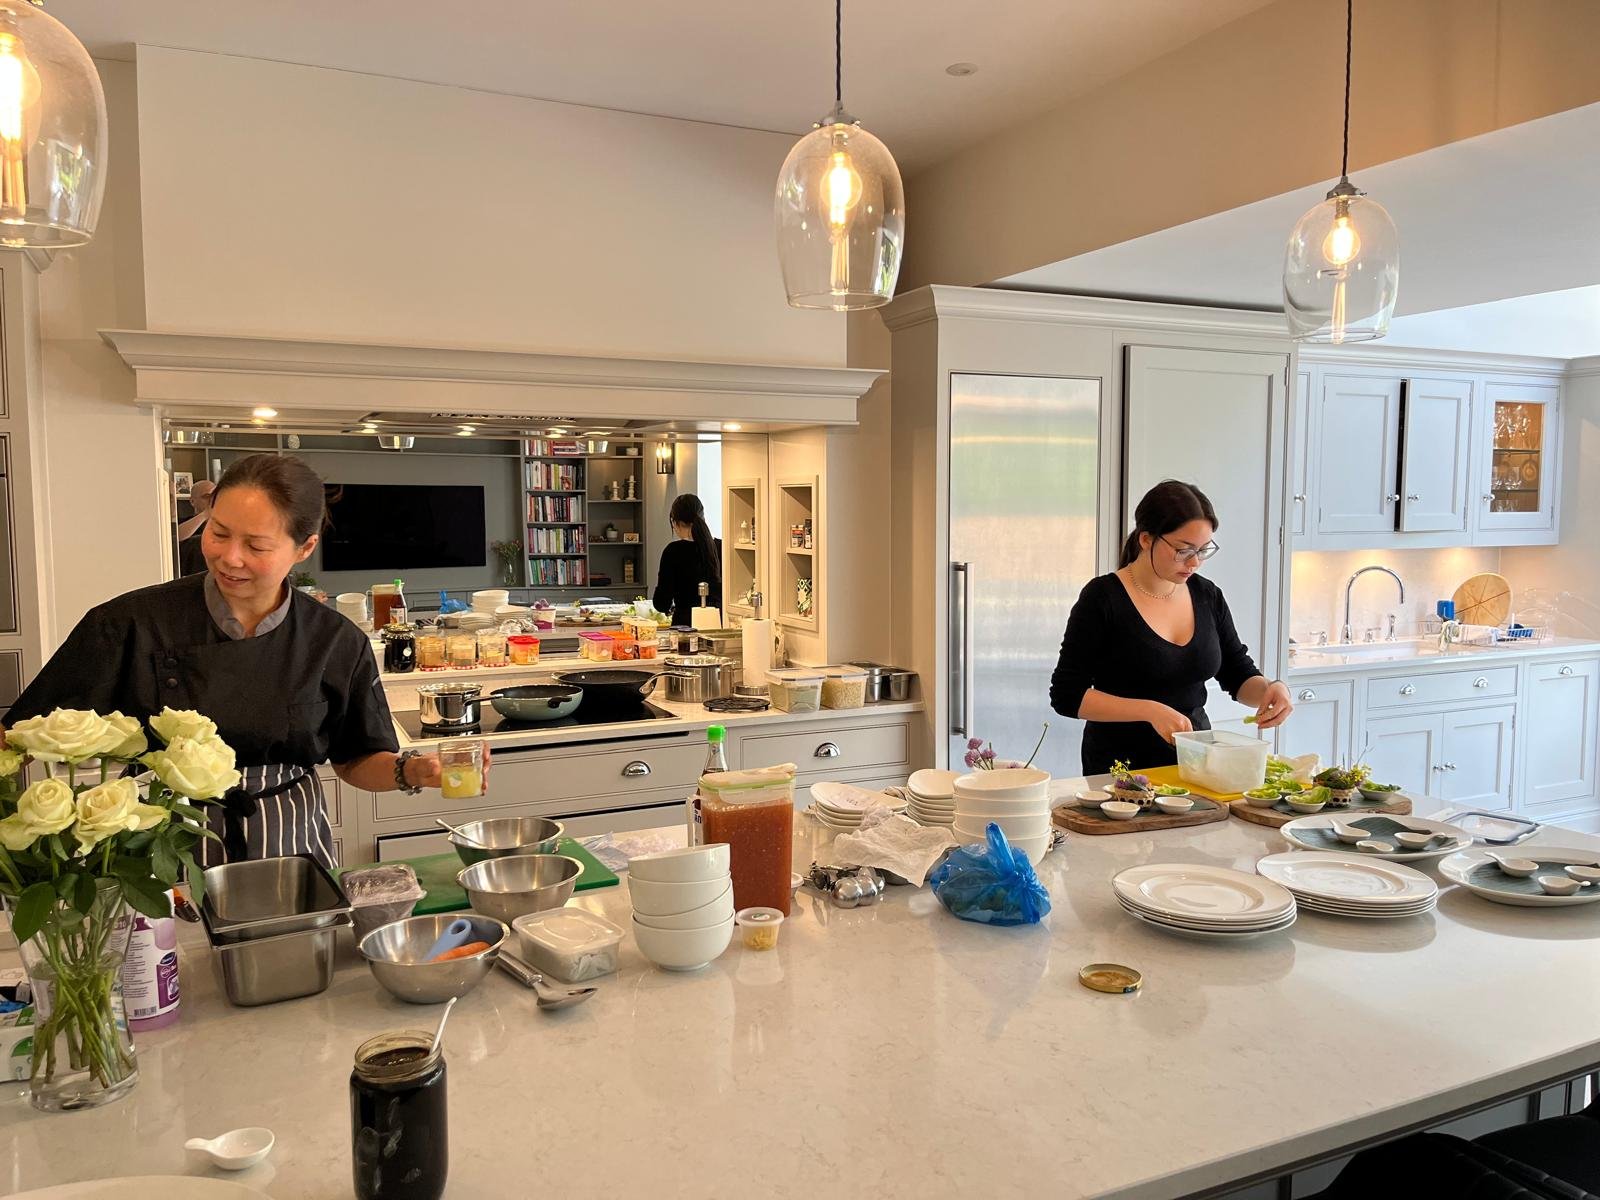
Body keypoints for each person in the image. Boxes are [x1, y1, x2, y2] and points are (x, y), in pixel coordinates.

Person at [8, 454, 471, 869]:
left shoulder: (333, 641)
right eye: (219, 532)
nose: (230, 558)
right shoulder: (130, 622)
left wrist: (411, 771)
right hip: (156, 849)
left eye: (256, 545)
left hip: (290, 845)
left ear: (304, 548)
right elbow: (23, 732)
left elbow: (355, 759)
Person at [1050, 480, 1293, 776]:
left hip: (1197, 764)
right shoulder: (1103, 598)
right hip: (1120, 773)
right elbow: (1067, 695)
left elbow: (1238, 673)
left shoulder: (1207, 595)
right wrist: (1149, 710)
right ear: (1146, 539)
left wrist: (1272, 689)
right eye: (1183, 550)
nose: (1194, 562)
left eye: (1203, 551)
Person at [652, 493, 721, 626]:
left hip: (684, 628)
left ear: (674, 522)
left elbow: (661, 602)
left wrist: (669, 608)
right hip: (717, 625)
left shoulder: (673, 551)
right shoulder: (719, 548)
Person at [175, 479, 215, 576]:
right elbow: (176, 537)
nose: (212, 500)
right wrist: (205, 514)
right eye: (207, 496)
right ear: (192, 501)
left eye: (215, 496)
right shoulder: (183, 523)